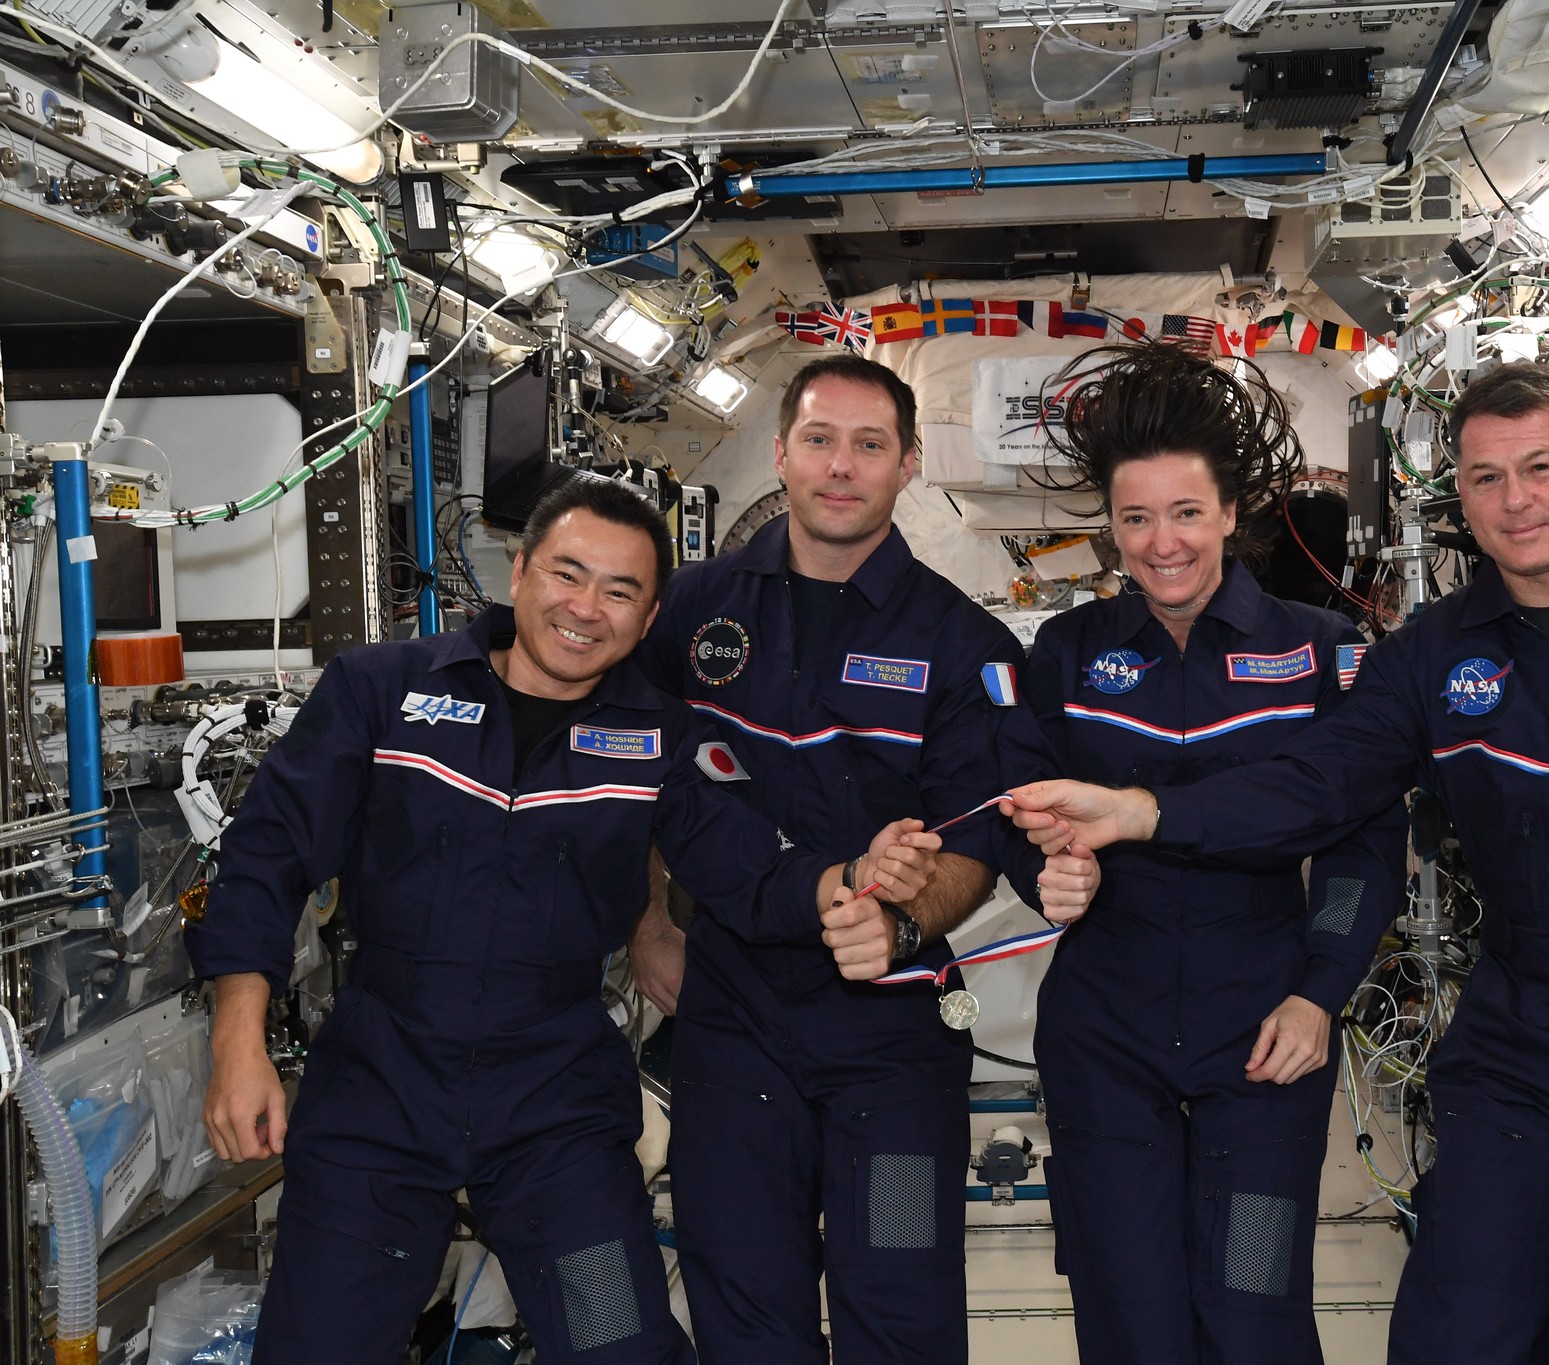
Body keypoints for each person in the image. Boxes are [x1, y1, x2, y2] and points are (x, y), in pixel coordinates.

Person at [1006, 361, 1549, 1364]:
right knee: (1456, 1332)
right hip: (1515, 1049)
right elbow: (1317, 786)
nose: (1514, 500)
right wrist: (1141, 810)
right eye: (1483, 478)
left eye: (1537, 467)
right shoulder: (1425, 656)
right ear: (1458, 502)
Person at [191, 478, 941, 1365]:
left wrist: (845, 878)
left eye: (620, 590)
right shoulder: (384, 692)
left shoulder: (656, 735)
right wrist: (236, 1042)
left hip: (552, 1108)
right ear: (519, 572)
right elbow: (263, 860)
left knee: (614, 1345)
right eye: (567, 573)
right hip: (379, 1093)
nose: (586, 608)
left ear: (651, 612)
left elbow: (741, 861)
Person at [628, 353, 1096, 1365]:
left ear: (907, 464)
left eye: (869, 445)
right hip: (731, 1020)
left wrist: (896, 922)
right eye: (819, 440)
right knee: (744, 1299)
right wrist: (650, 922)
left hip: (891, 1037)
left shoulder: (964, 643)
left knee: (901, 1302)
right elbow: (631, 781)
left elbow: (974, 831)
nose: (841, 467)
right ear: (784, 455)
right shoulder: (690, 612)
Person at [1015, 344, 1408, 1363]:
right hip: (1104, 1029)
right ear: (1109, 525)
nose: (1162, 543)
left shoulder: (1321, 651)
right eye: (1135, 517)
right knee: (1128, 1313)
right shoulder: (1063, 655)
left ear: (1229, 514)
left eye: (1185, 513)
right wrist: (1046, 872)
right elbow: (1013, 815)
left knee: (1252, 1308)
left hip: (1265, 1022)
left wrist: (1320, 992)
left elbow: (1365, 837)